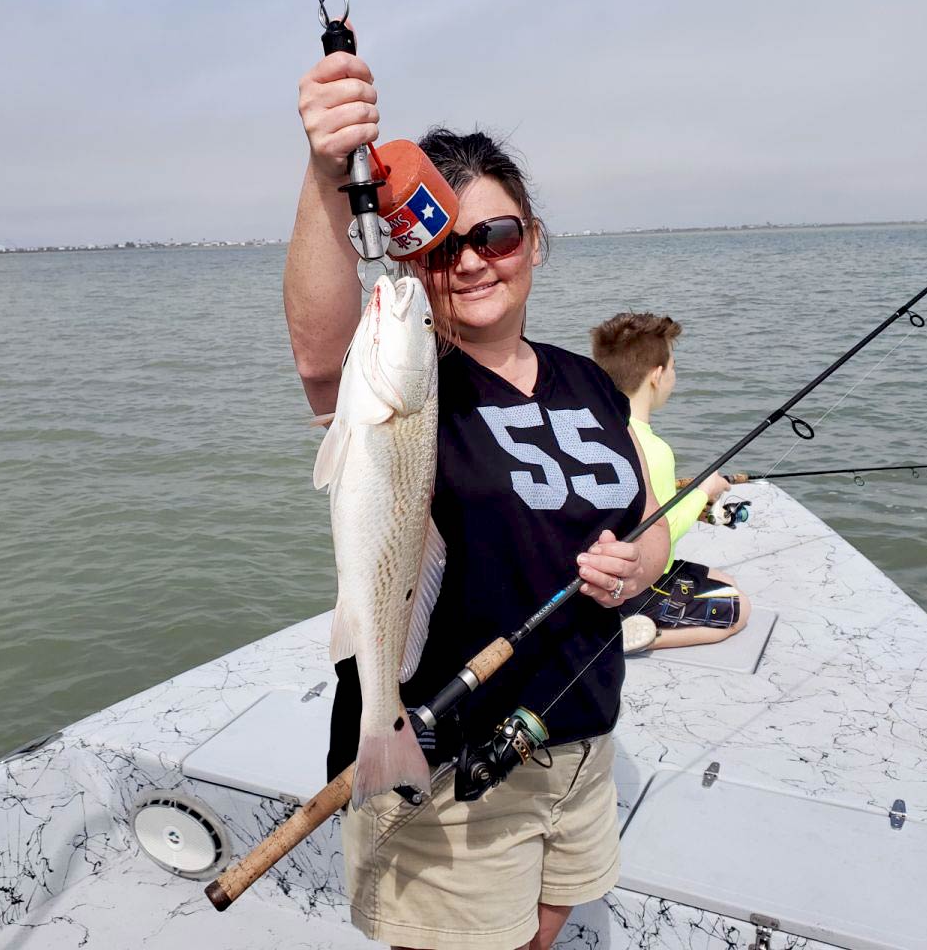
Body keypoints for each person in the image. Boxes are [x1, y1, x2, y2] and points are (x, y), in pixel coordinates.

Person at [286, 50, 670, 950]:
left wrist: (635, 568)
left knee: (543, 932)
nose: (472, 262)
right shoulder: (413, 375)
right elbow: (318, 359)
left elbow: (648, 530)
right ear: (416, 262)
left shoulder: (591, 384)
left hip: (577, 741)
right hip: (446, 761)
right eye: (442, 244)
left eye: (495, 236)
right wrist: (323, 168)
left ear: (534, 238)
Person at [588, 313, 751, 653]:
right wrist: (703, 492)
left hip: (596, 581)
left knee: (725, 581)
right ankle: (634, 635)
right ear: (657, 375)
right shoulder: (655, 451)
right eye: (673, 367)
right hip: (637, 587)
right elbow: (662, 533)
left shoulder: (594, 432)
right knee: (738, 608)